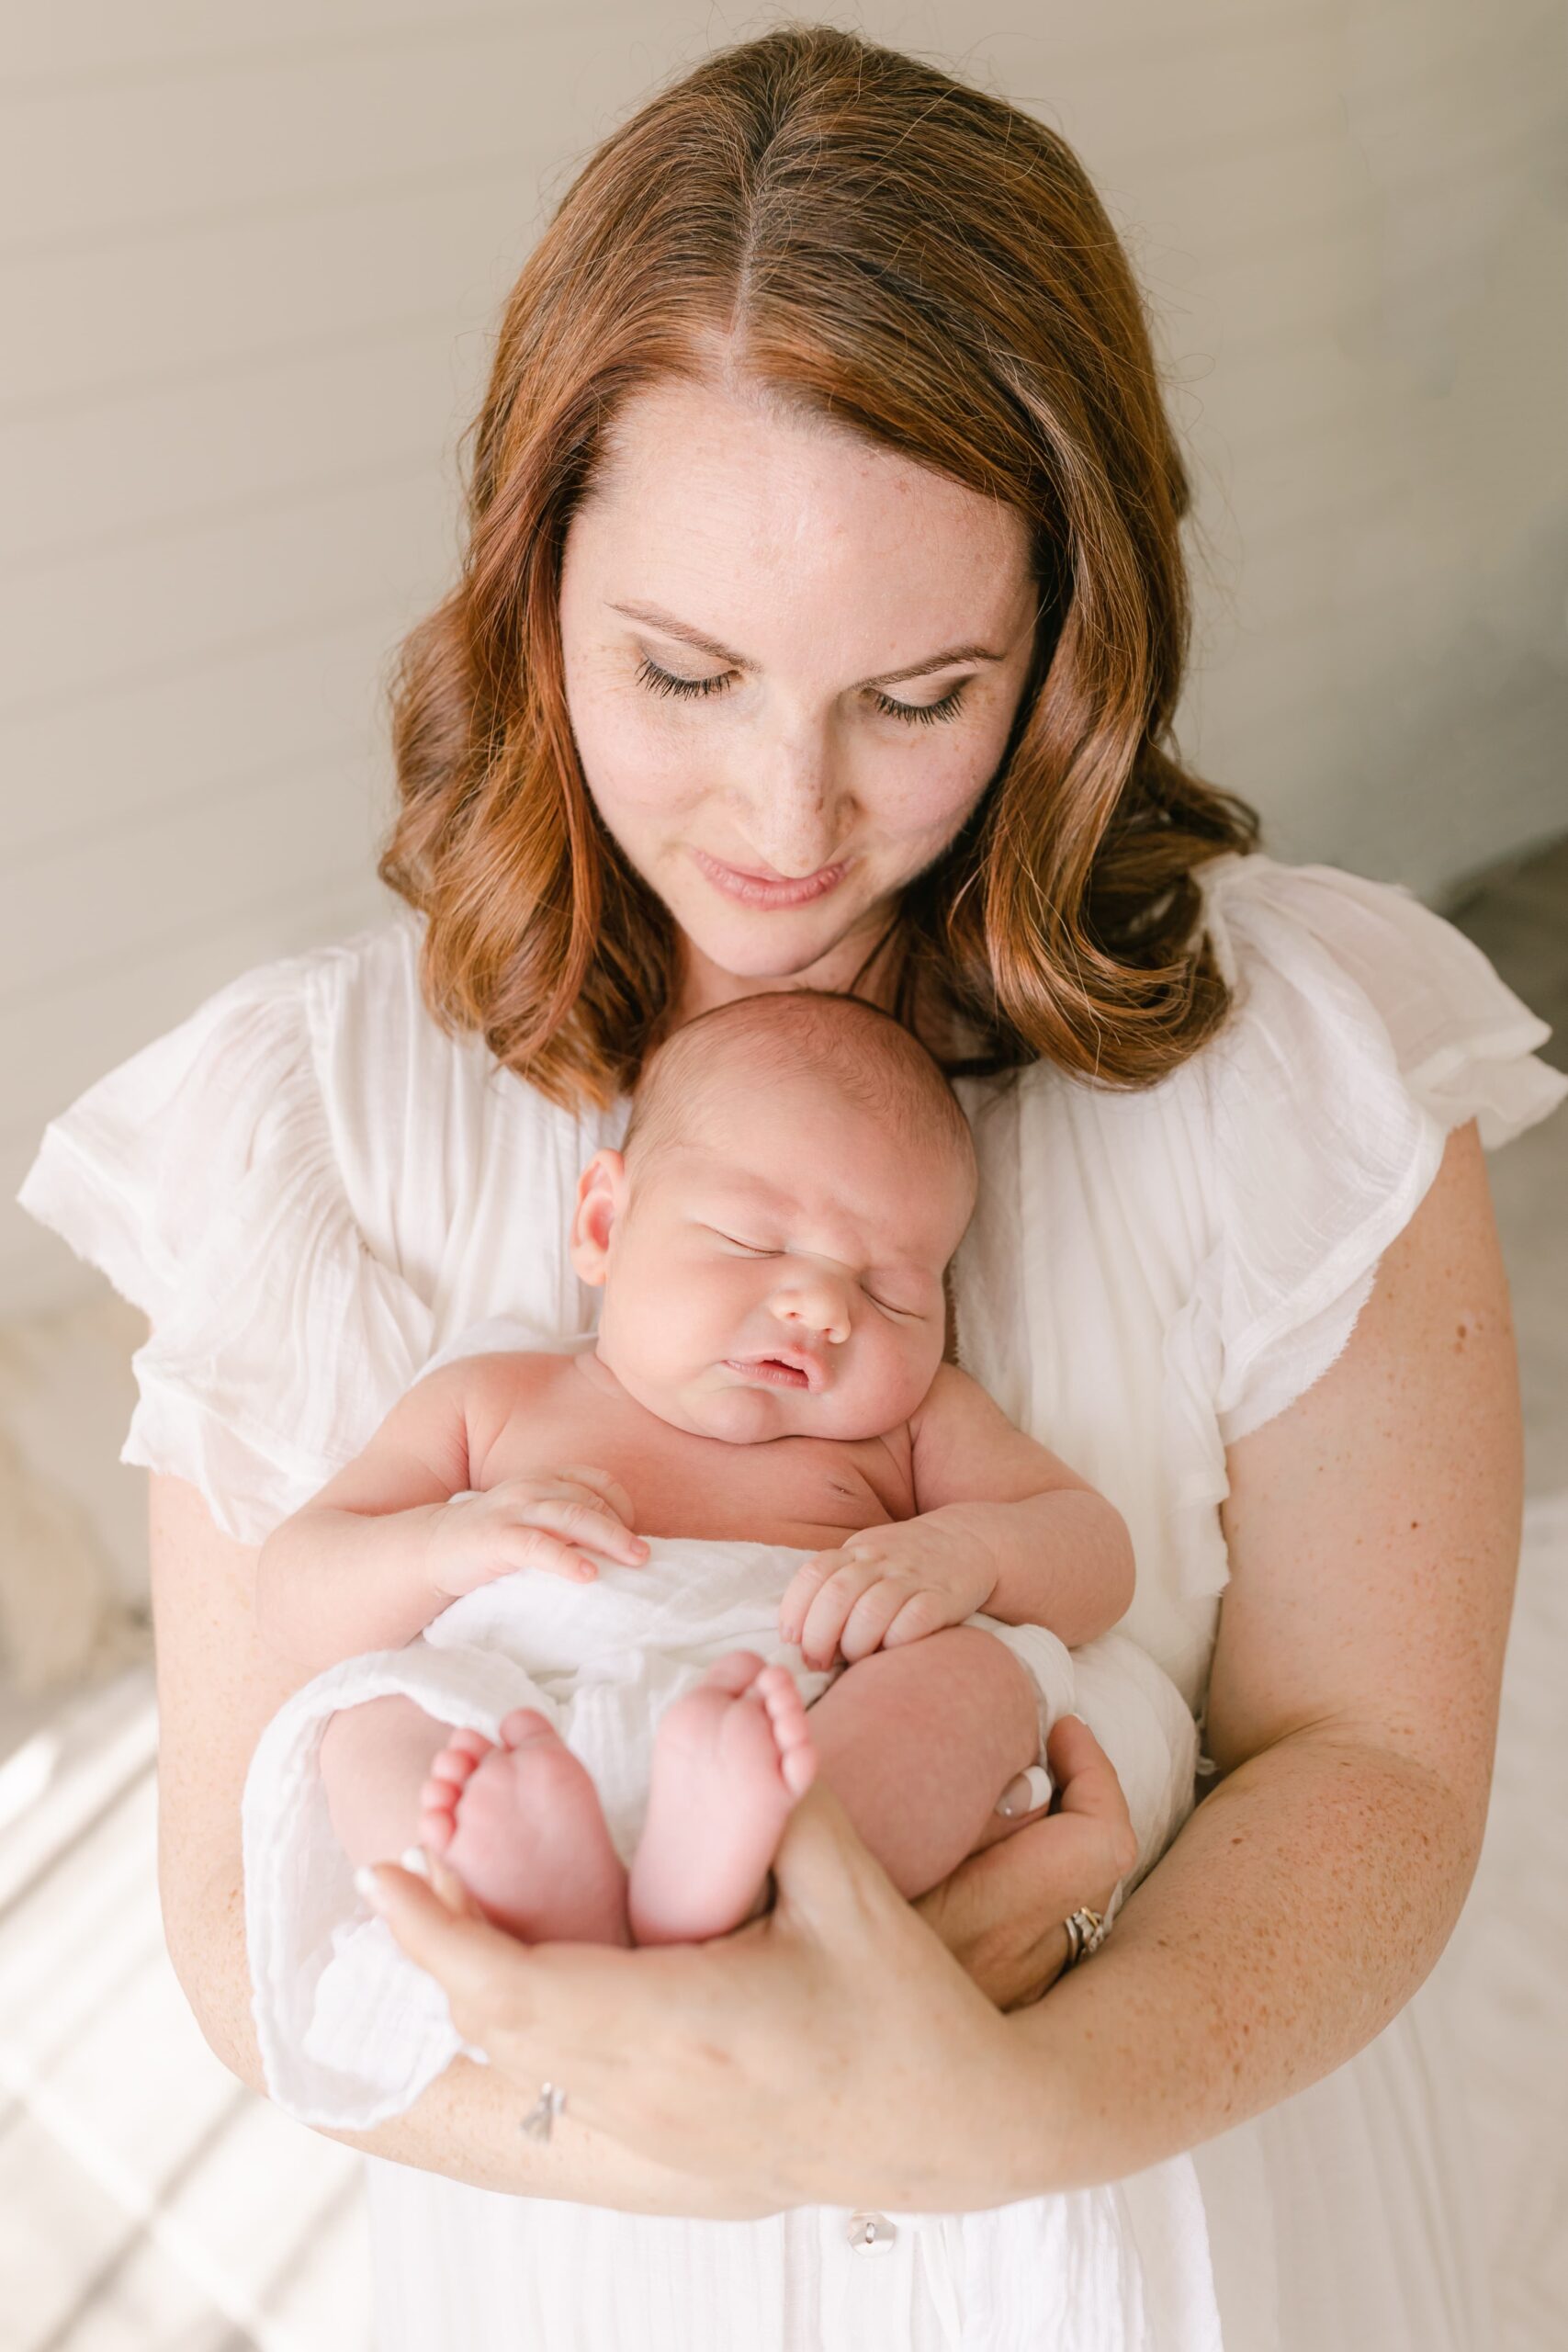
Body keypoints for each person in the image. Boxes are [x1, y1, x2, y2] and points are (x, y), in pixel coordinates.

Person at [17, 25, 1565, 2350]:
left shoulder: (1300, 1055)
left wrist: (997, 2114)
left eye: (915, 692)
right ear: (533, 582)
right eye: (685, 666)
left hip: (1161, 2238)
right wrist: (693, 2113)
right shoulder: (304, 1127)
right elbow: (256, 1934)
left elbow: (1369, 1764)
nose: (785, 813)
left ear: (1063, 639)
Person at [238, 990, 1195, 2133]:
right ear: (603, 1226)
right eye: (753, 1240)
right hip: (528, 1714)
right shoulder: (498, 1399)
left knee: (981, 1678)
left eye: (893, 1286)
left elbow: (1097, 1556)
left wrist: (969, 1549)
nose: (820, 1306)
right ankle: (526, 1903)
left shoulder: (911, 1424)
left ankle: (754, 1886)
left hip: (803, 1713)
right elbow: (298, 1588)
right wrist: (446, 1543)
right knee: (372, 1718)